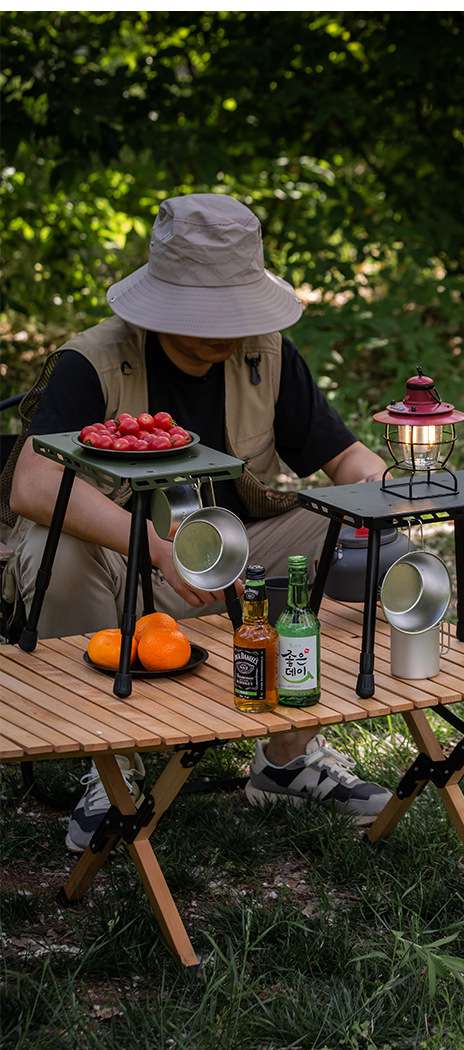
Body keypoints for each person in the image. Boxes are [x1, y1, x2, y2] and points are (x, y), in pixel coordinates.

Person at [7, 193, 391, 850]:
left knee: (369, 541)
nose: (222, 332)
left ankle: (288, 759)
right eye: (204, 314)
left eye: (231, 311)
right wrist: (155, 550)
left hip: (239, 566)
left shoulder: (265, 355)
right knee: (54, 551)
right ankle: (112, 764)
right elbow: (34, 484)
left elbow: (345, 455)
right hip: (127, 569)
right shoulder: (93, 360)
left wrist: (379, 489)